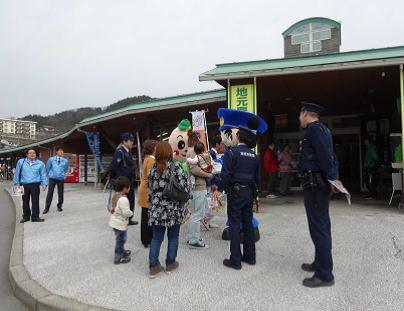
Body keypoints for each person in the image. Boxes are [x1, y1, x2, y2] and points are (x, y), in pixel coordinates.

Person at [214, 108, 267, 270]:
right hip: (249, 193)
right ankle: (250, 257)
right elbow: (258, 178)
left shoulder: (232, 153)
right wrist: (255, 195)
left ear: (238, 136)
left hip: (235, 194)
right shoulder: (254, 156)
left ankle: (235, 260)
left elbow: (226, 175)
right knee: (248, 225)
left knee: (235, 226)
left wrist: (219, 190)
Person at [298, 102, 342, 288]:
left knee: (319, 227)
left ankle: (325, 274)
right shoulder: (323, 130)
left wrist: (332, 179)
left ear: (306, 113)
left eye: (300, 114)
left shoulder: (314, 130)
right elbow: (332, 156)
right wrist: (334, 177)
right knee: (322, 226)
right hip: (317, 185)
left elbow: (326, 156)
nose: (299, 118)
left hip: (316, 186)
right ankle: (320, 262)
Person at [148, 141, 189, 278]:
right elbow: (185, 187)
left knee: (156, 238)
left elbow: (150, 190)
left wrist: (153, 204)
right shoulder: (176, 167)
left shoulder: (154, 169)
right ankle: (170, 263)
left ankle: (154, 266)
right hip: (173, 207)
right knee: (173, 236)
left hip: (157, 208)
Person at [187, 141, 214, 248]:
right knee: (198, 214)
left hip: (196, 187)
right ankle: (194, 241)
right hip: (199, 187)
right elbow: (195, 170)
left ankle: (192, 238)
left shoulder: (193, 154)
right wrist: (209, 175)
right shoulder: (194, 154)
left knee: (194, 214)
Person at [13, 149, 48, 223]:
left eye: (34, 153)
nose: (32, 154)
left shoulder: (40, 164)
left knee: (35, 201)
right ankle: (26, 217)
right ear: (27, 154)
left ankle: (35, 217)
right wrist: (16, 183)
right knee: (25, 201)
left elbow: (43, 174)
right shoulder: (21, 162)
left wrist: (44, 184)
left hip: (35, 184)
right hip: (24, 184)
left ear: (36, 154)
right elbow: (17, 173)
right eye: (30, 153)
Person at [110, 132, 138, 225]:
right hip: (123, 182)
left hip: (129, 181)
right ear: (124, 141)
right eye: (130, 140)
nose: (132, 142)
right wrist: (114, 180)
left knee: (130, 200)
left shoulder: (127, 151)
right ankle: (121, 219)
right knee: (122, 201)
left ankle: (128, 219)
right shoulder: (120, 152)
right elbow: (114, 167)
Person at [137, 139, 157, 248]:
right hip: (148, 190)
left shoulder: (147, 159)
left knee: (145, 215)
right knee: (148, 216)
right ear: (153, 149)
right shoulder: (151, 160)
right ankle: (147, 239)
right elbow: (152, 177)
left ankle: (145, 239)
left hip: (144, 188)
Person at [109, 176, 133, 264]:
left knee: (120, 238)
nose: (130, 188)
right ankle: (118, 256)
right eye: (128, 187)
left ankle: (122, 250)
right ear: (124, 188)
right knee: (121, 239)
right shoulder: (123, 200)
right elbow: (126, 212)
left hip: (114, 222)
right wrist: (131, 213)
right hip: (120, 224)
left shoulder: (116, 195)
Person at [44, 146, 69, 214]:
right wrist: (50, 175)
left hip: (61, 179)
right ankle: (47, 208)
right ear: (56, 152)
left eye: (62, 151)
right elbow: (47, 168)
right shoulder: (51, 159)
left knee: (60, 193)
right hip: (52, 178)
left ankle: (59, 206)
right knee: (50, 193)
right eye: (59, 150)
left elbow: (66, 169)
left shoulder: (65, 161)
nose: (61, 152)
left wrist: (63, 175)